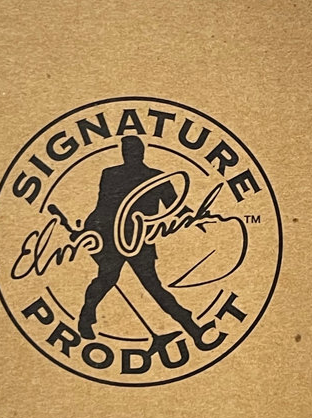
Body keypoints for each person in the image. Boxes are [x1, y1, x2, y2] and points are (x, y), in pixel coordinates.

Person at [77, 136, 214, 346]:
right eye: (127, 150)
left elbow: (175, 207)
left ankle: (192, 328)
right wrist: (89, 232)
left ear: (141, 152)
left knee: (152, 287)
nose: (130, 154)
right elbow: (102, 207)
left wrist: (196, 217)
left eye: (133, 150)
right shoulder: (110, 174)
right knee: (107, 280)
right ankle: (86, 319)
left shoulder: (157, 178)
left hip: (140, 242)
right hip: (112, 240)